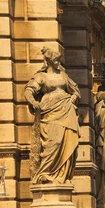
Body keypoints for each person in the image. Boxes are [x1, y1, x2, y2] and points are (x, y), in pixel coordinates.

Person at [24, 47, 80, 184]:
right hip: (49, 112)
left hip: (66, 110)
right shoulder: (41, 77)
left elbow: (76, 90)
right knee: (53, 143)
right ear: (48, 61)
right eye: (55, 60)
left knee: (67, 142)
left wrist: (73, 97)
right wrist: (33, 102)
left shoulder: (63, 75)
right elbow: (28, 91)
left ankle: (61, 175)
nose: (58, 62)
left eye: (58, 60)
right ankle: (45, 173)